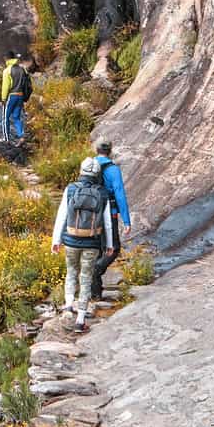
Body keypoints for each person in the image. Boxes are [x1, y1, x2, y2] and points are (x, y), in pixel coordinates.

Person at [51, 155, 117, 329]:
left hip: (71, 240)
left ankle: (68, 306)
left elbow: (62, 216)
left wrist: (56, 240)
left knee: (71, 272)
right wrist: (109, 245)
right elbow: (108, 223)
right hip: (92, 243)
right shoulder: (102, 192)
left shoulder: (71, 189)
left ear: (81, 171)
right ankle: (80, 320)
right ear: (96, 173)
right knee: (86, 278)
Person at [89, 138, 131, 300]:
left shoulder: (89, 165)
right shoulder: (113, 169)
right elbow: (119, 194)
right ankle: (95, 272)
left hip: (91, 213)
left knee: (99, 249)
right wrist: (126, 220)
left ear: (96, 149)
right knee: (114, 248)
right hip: (109, 213)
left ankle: (95, 293)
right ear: (110, 150)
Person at [1, 53, 32, 144]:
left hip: (11, 96)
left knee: (5, 117)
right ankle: (21, 136)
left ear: (7, 59)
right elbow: (28, 82)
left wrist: (3, 98)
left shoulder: (7, 70)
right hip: (21, 95)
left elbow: (5, 86)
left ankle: (6, 138)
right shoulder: (23, 69)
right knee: (17, 117)